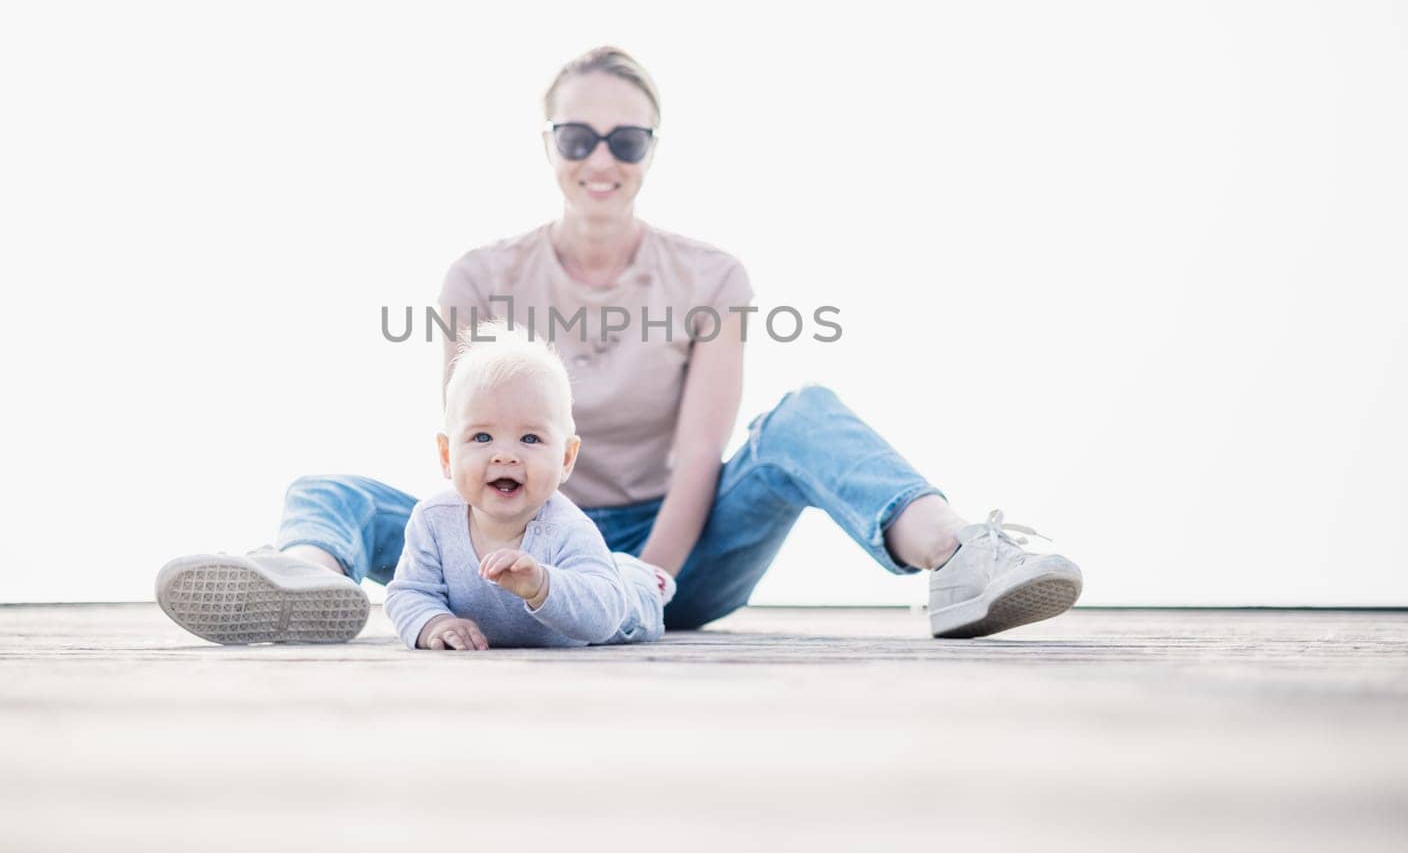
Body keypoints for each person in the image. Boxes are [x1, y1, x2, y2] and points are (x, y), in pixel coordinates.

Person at [155, 45, 1082, 646]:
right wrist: (492, 563)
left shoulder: (711, 276)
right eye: (579, 134)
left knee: (803, 414)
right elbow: (469, 448)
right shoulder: (479, 278)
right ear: (549, 143)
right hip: (507, 536)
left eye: (627, 139)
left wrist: (649, 580)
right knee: (329, 492)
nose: (602, 158)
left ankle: (958, 553)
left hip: (662, 547)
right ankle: (302, 580)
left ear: (651, 150)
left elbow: (697, 460)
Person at [384, 323, 670, 650]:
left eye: (530, 438)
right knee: (602, 569)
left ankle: (643, 578)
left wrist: (542, 585)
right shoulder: (433, 521)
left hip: (619, 610)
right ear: (447, 455)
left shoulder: (568, 528)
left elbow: (605, 617)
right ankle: (618, 566)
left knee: (631, 597)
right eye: (482, 437)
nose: (505, 456)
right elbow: (410, 592)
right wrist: (435, 623)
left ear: (565, 458)